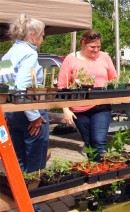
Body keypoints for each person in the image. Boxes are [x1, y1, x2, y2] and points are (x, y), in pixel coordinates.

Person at [58, 30, 117, 161]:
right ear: (83, 43)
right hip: (79, 108)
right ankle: (95, 171)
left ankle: (102, 173)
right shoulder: (71, 59)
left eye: (98, 47)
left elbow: (115, 79)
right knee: (89, 143)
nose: (96, 50)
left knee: (99, 141)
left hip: (101, 106)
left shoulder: (104, 57)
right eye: (92, 47)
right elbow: (62, 86)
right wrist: (65, 109)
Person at [1, 14, 49, 173]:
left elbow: (5, 81)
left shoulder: (10, 53)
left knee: (18, 157)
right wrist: (34, 116)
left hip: (13, 112)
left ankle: (17, 194)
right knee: (35, 160)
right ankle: (33, 195)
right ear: (33, 35)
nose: (43, 39)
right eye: (42, 35)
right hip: (29, 110)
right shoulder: (30, 53)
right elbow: (22, 86)